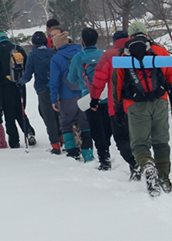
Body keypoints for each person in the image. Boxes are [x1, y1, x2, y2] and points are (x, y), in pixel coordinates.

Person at [111, 21, 172, 195]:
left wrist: (118, 108)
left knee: (139, 144)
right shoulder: (159, 52)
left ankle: (147, 165)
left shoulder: (124, 57)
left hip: (135, 105)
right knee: (161, 142)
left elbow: (118, 85)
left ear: (130, 37)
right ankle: (164, 180)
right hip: (160, 101)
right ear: (146, 34)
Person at [89, 30, 139, 179]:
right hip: (140, 105)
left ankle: (136, 165)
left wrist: (94, 99)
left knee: (122, 139)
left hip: (117, 106)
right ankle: (140, 165)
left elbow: (98, 80)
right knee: (139, 139)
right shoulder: (139, 53)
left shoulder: (109, 55)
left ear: (114, 40)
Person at [68, 27, 113, 170]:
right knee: (107, 127)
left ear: (82, 41)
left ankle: (103, 158)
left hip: (88, 98)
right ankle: (107, 151)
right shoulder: (105, 55)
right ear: (97, 39)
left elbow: (71, 78)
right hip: (105, 96)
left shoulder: (78, 57)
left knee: (96, 128)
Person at [49, 30, 93, 162]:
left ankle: (72, 152)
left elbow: (54, 82)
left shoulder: (56, 58)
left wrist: (53, 99)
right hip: (84, 93)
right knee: (85, 124)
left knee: (66, 124)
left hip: (67, 96)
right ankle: (88, 153)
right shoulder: (80, 53)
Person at [0, 32, 35, 148]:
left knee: (9, 113)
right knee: (20, 111)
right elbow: (27, 65)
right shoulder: (17, 48)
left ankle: (14, 140)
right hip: (20, 85)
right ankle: (29, 132)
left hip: (5, 87)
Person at [18, 31, 61, 154]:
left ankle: (55, 144)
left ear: (33, 43)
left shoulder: (33, 55)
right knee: (57, 113)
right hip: (56, 87)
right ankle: (63, 137)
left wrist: (20, 81)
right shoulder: (53, 52)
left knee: (48, 116)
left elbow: (28, 75)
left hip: (42, 89)